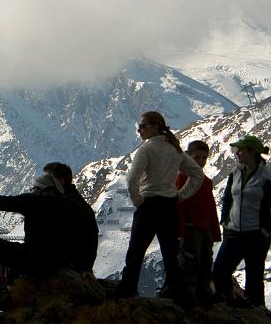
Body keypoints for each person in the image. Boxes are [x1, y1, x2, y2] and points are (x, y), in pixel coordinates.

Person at [0, 168, 91, 314]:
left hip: (36, 259)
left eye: (33, 188)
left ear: (39, 188)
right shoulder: (70, 205)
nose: (32, 190)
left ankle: (1, 295)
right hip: (61, 262)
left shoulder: (33, 201)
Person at [115, 111, 203, 303]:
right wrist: (180, 196)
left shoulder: (146, 150)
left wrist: (137, 199)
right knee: (170, 253)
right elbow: (197, 175)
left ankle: (127, 290)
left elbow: (132, 179)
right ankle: (178, 294)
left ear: (155, 127)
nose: (139, 130)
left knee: (136, 251)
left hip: (149, 205)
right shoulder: (175, 149)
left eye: (143, 126)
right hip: (170, 206)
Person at [212, 135, 271, 308]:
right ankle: (234, 301)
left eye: (241, 150)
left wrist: (266, 230)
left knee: (254, 276)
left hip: (256, 233)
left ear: (252, 152)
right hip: (234, 231)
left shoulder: (267, 176)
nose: (237, 153)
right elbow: (228, 198)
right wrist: (225, 220)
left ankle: (256, 312)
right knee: (220, 271)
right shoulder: (236, 171)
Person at [175, 140, 221, 304]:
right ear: (188, 156)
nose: (200, 161)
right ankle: (188, 294)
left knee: (206, 261)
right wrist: (180, 231)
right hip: (190, 228)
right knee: (190, 261)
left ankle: (203, 292)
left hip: (205, 229)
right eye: (197, 157)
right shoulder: (182, 177)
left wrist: (215, 231)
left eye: (204, 158)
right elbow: (179, 205)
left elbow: (211, 207)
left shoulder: (207, 182)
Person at [43, 162, 100, 274]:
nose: (45, 183)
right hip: (81, 265)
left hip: (72, 267)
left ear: (60, 181)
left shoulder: (65, 205)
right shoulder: (75, 200)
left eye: (48, 180)